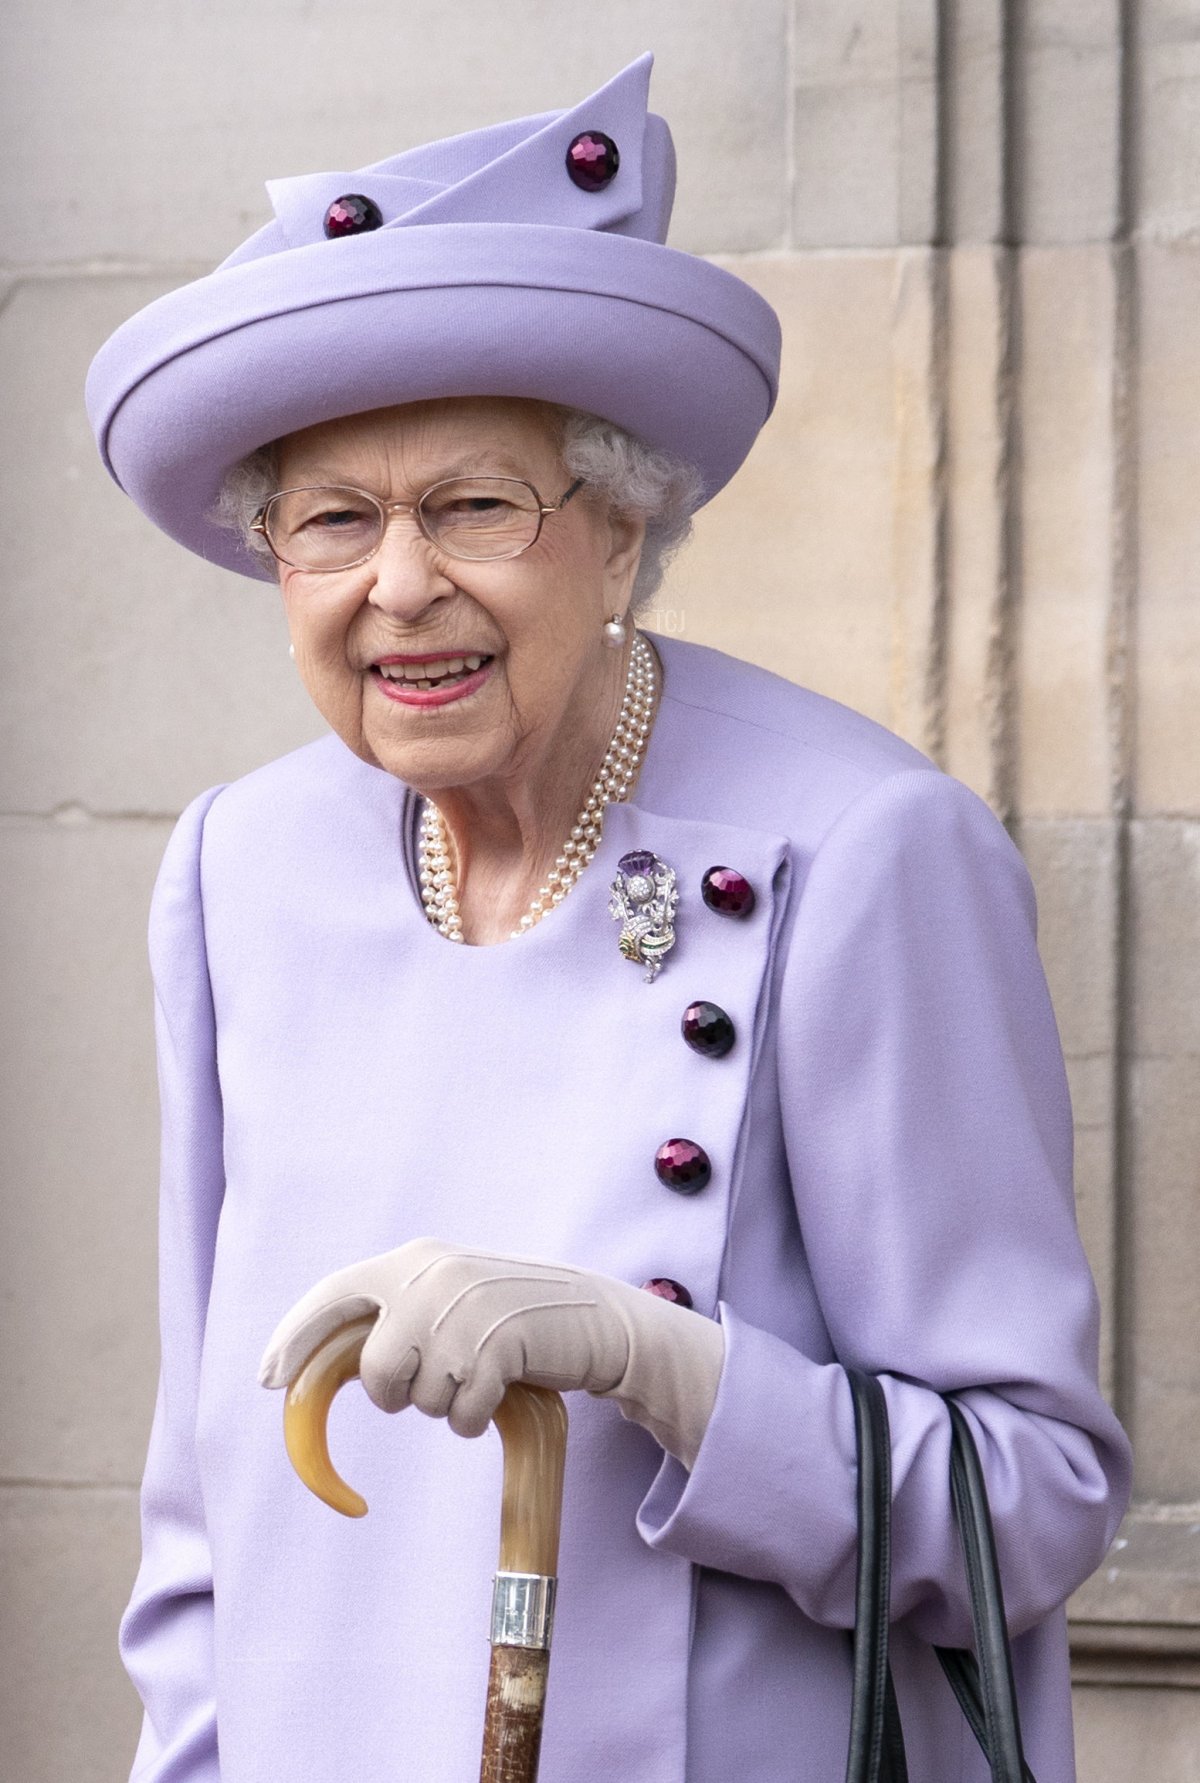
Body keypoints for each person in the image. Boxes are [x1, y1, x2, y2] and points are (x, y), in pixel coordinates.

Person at [87, 53, 1131, 1783]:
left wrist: (667, 1369)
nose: (398, 585)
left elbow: (1033, 1501)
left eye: (477, 506)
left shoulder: (866, 853)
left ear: (625, 532)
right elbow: (201, 1516)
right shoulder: (236, 869)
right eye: (331, 520)